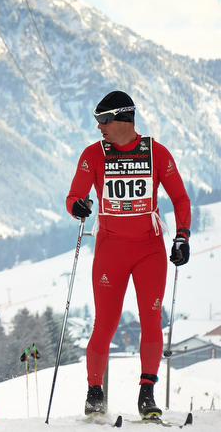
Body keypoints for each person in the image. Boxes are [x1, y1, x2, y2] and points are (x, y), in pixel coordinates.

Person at [66, 90, 191, 420]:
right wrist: (77, 206)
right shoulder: (93, 155)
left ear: (123, 120)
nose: (99, 128)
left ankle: (146, 394)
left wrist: (182, 236)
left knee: (151, 319)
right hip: (110, 250)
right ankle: (95, 393)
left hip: (149, 250)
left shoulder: (156, 153)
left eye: (103, 121)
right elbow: (74, 196)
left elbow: (180, 199)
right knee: (104, 323)